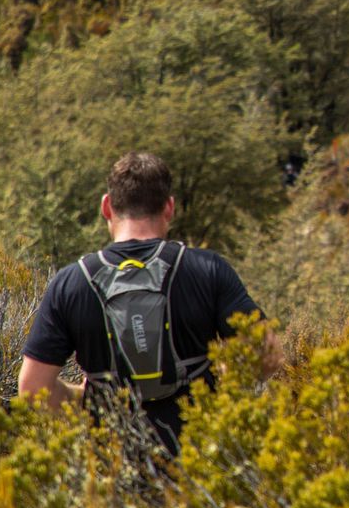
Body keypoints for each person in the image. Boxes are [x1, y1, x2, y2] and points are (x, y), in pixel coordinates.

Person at [18, 151, 267, 456]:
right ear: (169, 207)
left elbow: (33, 389)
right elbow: (266, 351)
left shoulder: (71, 282)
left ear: (106, 206)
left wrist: (81, 399)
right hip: (201, 462)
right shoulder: (207, 269)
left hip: (111, 464)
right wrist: (223, 382)